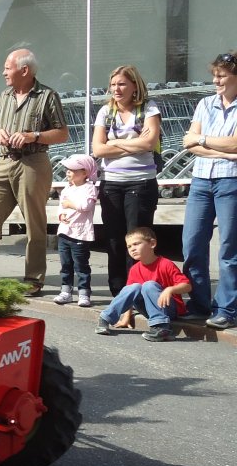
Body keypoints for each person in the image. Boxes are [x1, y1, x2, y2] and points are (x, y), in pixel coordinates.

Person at [0, 49, 69, 295]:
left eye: (8, 67)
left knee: (34, 224)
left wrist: (33, 136)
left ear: (24, 70)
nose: (3, 72)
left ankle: (33, 279)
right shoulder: (3, 96)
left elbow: (62, 132)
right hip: (3, 163)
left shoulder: (47, 96)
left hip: (33, 162)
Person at [91, 65, 161, 296]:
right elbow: (98, 149)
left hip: (140, 183)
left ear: (134, 86)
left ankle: (138, 290)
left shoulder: (149, 108)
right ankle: (119, 292)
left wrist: (114, 144)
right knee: (113, 240)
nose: (116, 89)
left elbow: (149, 144)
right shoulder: (105, 112)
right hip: (111, 183)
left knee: (137, 241)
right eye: (113, 85)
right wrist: (131, 145)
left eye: (121, 84)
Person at [181, 51, 237, 330]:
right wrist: (222, 149)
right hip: (201, 180)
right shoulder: (205, 103)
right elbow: (188, 143)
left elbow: (236, 144)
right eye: (214, 75)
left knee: (229, 248)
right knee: (191, 244)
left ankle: (226, 308)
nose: (216, 80)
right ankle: (199, 304)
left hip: (232, 181)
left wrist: (203, 140)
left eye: (222, 75)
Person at [96, 227, 191, 341]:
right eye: (129, 246)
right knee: (133, 287)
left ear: (152, 243)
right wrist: (127, 317)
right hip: (147, 308)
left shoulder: (166, 264)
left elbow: (187, 286)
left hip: (169, 310)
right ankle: (105, 318)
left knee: (149, 285)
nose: (132, 249)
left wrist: (169, 290)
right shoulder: (134, 269)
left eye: (136, 244)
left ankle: (161, 327)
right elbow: (129, 295)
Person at [53, 154, 99, 307]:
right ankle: (66, 291)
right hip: (65, 231)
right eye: (67, 169)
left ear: (85, 172)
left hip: (80, 234)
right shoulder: (67, 189)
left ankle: (84, 293)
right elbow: (61, 206)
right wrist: (61, 214)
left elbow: (86, 206)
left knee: (81, 265)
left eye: (72, 170)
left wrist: (69, 204)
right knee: (65, 264)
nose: (68, 172)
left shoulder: (89, 188)